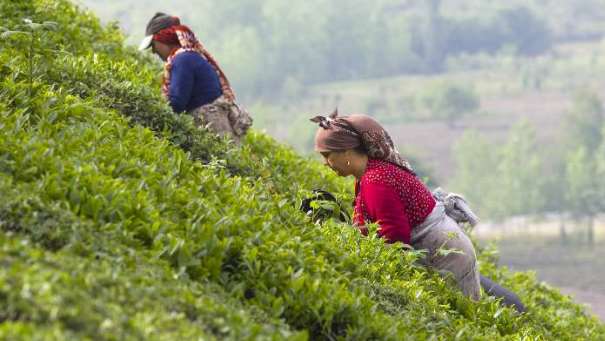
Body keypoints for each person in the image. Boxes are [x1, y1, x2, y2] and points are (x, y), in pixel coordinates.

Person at [310, 109, 481, 300]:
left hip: (446, 256)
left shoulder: (376, 180)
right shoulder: (369, 175)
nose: (325, 163)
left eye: (328, 155)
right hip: (443, 248)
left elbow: (395, 240)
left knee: (456, 315)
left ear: (347, 151)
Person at [139, 13, 252, 142]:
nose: (153, 51)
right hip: (218, 124)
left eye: (153, 45)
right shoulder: (190, 56)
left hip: (212, 126)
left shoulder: (182, 60)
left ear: (163, 39)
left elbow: (176, 103)